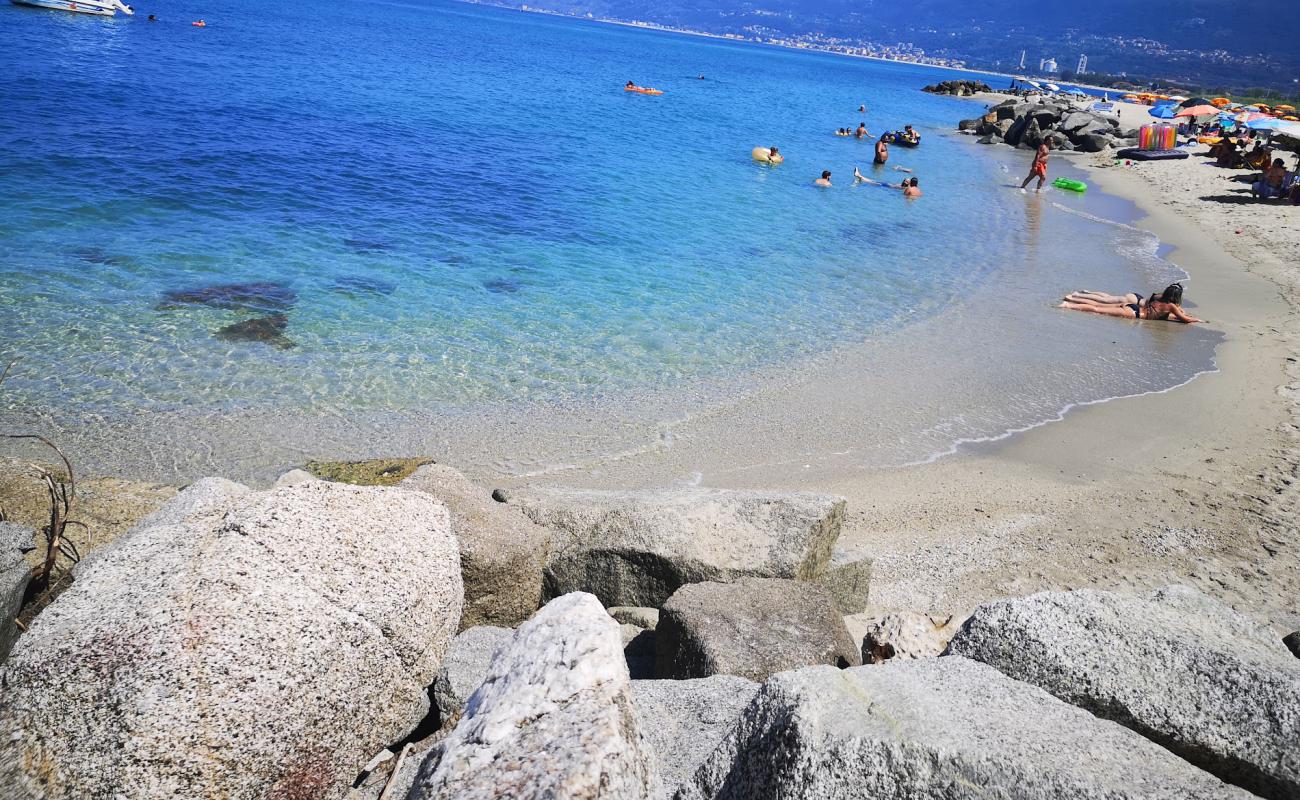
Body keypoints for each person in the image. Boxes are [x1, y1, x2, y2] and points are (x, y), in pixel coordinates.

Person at [1059, 283, 1202, 323]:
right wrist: (1197, 319)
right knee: (1097, 309)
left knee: (1099, 305)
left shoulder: (1159, 299)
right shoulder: (1171, 306)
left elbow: (1170, 316)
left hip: (1134, 308)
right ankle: (1068, 305)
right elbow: (1184, 319)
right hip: (1134, 313)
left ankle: (1072, 300)